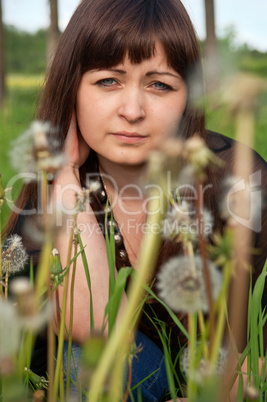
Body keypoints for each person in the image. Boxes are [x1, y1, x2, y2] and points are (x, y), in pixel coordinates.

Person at [4, 0, 267, 400]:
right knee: (89, 362)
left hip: (222, 385)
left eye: (159, 84)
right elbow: (94, 330)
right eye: (109, 81)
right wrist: (65, 179)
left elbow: (255, 350)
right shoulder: (48, 200)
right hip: (110, 374)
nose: (132, 110)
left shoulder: (238, 178)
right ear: (71, 88)